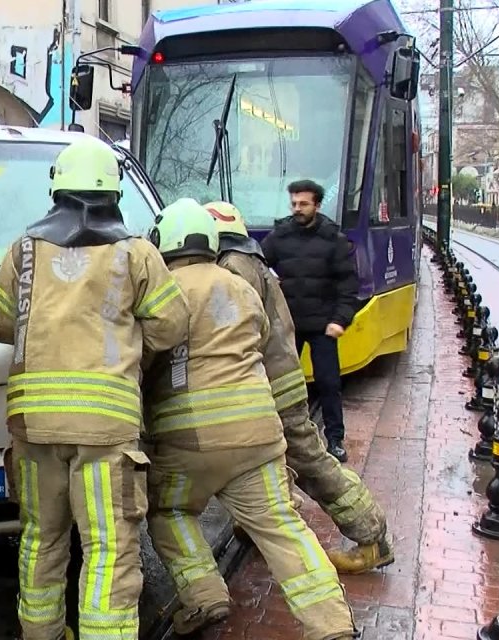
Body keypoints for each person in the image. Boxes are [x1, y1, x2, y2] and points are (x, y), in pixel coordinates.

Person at [0, 137, 189, 640]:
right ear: (113, 193)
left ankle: (43, 634)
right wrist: (131, 348)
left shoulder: (24, 250)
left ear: (55, 189)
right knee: (108, 546)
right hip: (106, 428)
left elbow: (0, 320)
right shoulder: (136, 253)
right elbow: (172, 323)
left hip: (33, 426)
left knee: (41, 538)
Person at [142, 198, 356, 639]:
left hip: (187, 443)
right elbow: (262, 339)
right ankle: (332, 625)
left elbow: (145, 356)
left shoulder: (161, 289)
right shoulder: (241, 284)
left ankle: (204, 595)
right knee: (283, 528)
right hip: (258, 437)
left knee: (169, 511)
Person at [211, 200, 392, 574]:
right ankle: (255, 524)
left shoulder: (231, 268)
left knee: (309, 460)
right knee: (273, 456)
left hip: (272, 385)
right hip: (283, 377)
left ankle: (371, 534)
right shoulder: (254, 261)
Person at [261, 180, 359, 462]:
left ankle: (336, 439)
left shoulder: (333, 239)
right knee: (280, 382)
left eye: (303, 204)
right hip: (289, 327)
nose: (297, 209)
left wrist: (341, 320)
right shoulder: (280, 236)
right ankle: (275, 437)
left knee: (329, 384)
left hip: (323, 327)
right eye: (293, 203)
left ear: (317, 205)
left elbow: (348, 285)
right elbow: (258, 260)